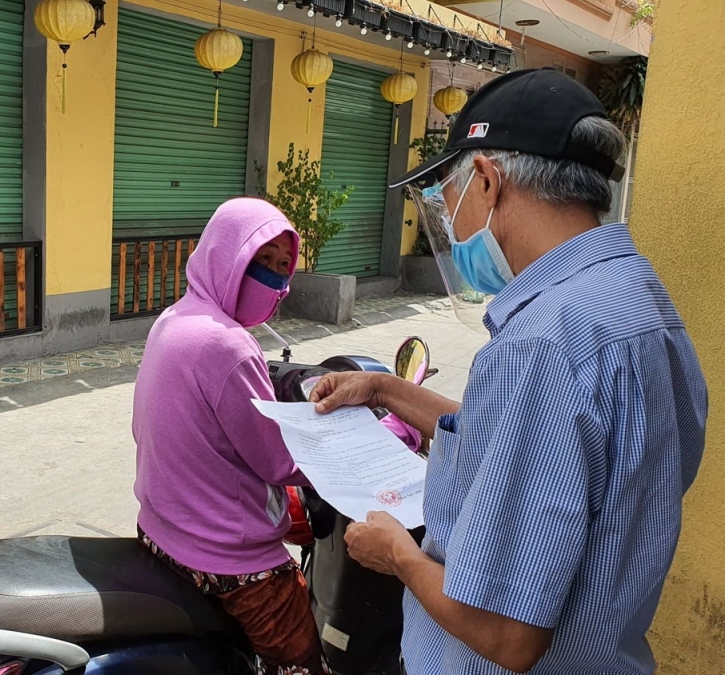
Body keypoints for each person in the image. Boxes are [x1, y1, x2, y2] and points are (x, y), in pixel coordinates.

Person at [310, 68, 707, 674]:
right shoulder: (637, 301)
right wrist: (386, 388)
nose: (450, 229)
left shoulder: (541, 344)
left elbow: (507, 634)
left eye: (448, 207)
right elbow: (529, 442)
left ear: (489, 181)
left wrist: (399, 556)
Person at [133, 198, 327, 675]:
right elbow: (279, 461)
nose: (276, 282)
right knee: (305, 664)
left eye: (284, 268)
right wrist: (370, 441)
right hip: (234, 564)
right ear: (226, 254)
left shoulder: (175, 319)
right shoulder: (230, 345)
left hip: (162, 535)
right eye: (263, 262)